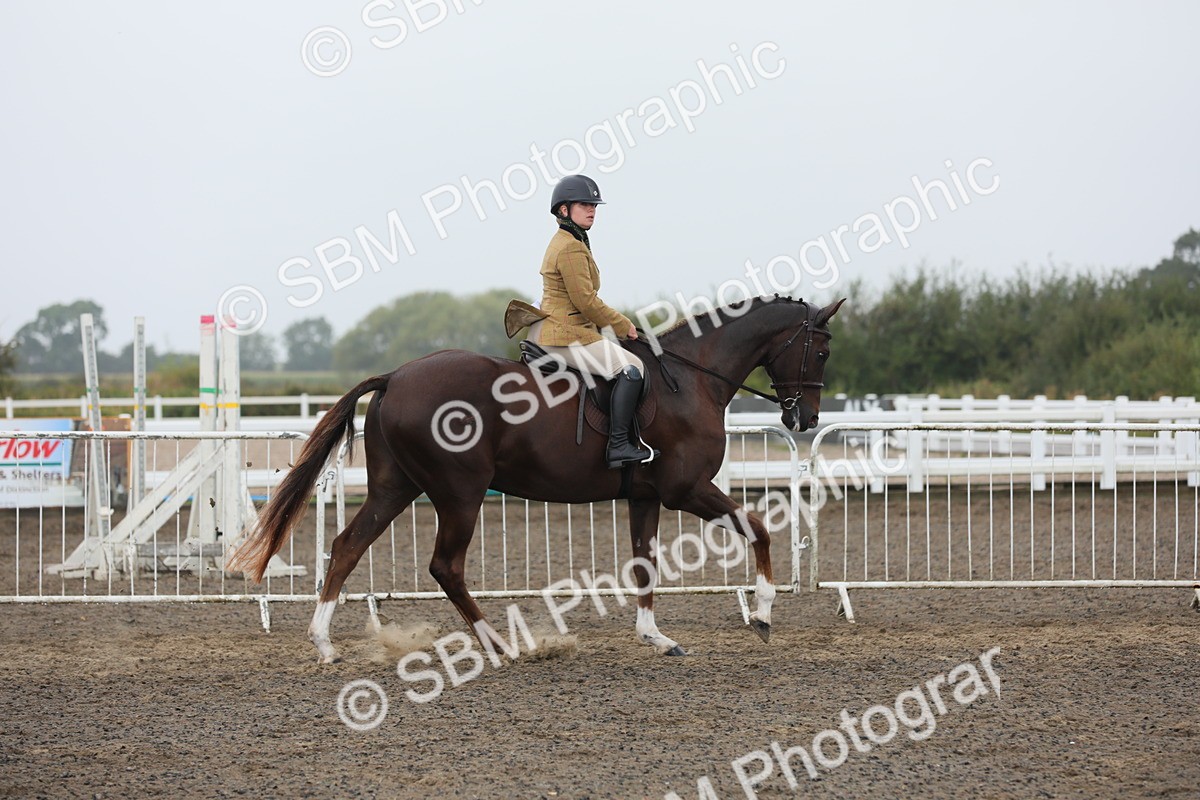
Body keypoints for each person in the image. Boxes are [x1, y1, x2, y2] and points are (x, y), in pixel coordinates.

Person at [523, 174, 657, 469]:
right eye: (584, 205)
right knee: (632, 369)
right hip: (563, 334)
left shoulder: (573, 240)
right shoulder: (570, 246)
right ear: (563, 210)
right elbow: (585, 301)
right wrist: (624, 325)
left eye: (594, 205)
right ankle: (619, 446)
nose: (592, 210)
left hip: (566, 328)